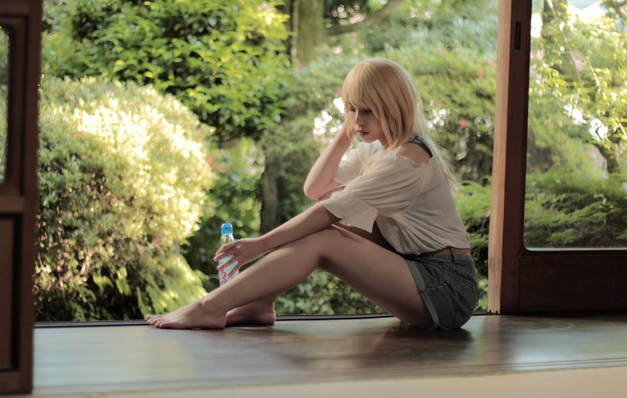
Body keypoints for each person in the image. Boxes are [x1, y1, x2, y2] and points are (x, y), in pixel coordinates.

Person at [146, 58, 479, 331]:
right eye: (351, 109)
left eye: (367, 111)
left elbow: (327, 212)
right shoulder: (378, 148)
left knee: (324, 235)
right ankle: (258, 304)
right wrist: (345, 134)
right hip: (417, 270)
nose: (358, 120)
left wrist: (260, 245)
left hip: (446, 286)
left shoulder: (406, 159)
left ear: (392, 107)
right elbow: (316, 189)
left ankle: (210, 306)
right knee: (327, 218)